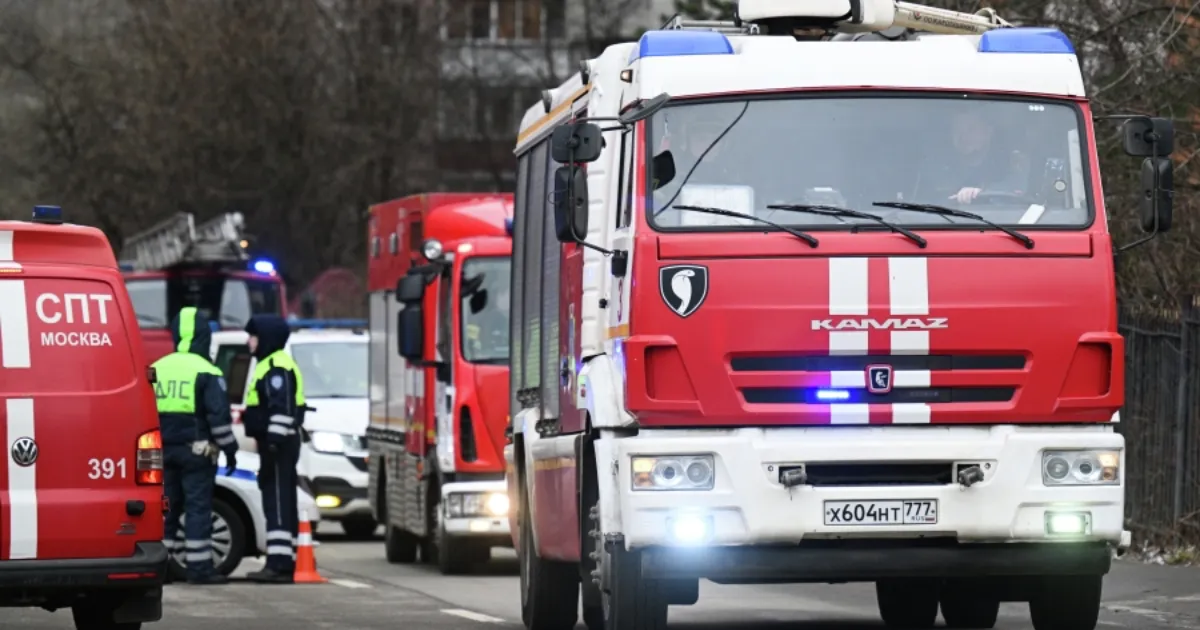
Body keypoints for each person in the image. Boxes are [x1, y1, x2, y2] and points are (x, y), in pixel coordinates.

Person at [153, 306, 238, 585]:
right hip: (197, 452)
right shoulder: (207, 370)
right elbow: (219, 418)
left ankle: (160, 569)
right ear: (204, 337)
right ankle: (199, 569)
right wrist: (230, 450)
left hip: (161, 451)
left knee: (166, 508)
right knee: (198, 508)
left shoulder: (157, 367)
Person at [241, 314, 307, 584]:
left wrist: (272, 440)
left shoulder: (276, 367)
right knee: (279, 500)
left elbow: (281, 409)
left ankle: (279, 564)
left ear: (265, 338)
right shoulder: (270, 364)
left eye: (253, 336)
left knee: (278, 502)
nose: (249, 342)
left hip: (278, 446)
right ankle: (282, 559)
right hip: (276, 444)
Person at [917, 109, 1022, 205]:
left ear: (989, 131)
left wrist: (982, 193)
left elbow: (1017, 193)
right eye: (957, 129)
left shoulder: (1009, 164)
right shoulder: (936, 168)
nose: (962, 136)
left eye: (971, 129)